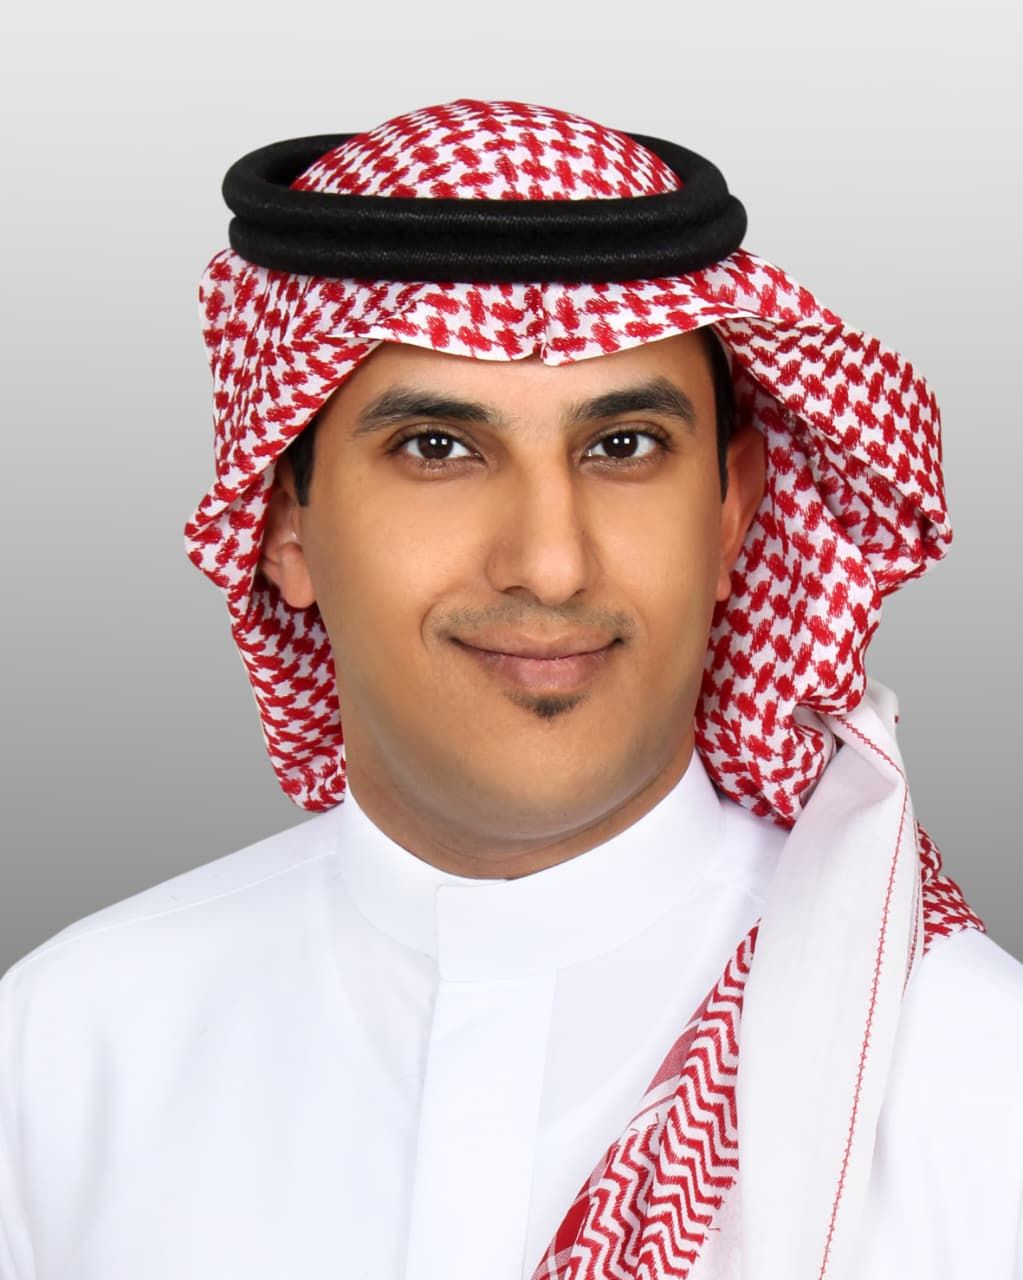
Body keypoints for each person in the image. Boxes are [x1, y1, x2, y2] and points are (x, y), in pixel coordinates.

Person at [1, 99, 1021, 1280]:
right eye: (438, 447)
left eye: (624, 445)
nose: (550, 561)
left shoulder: (974, 1080)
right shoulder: (68, 1054)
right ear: (283, 522)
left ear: (731, 511)